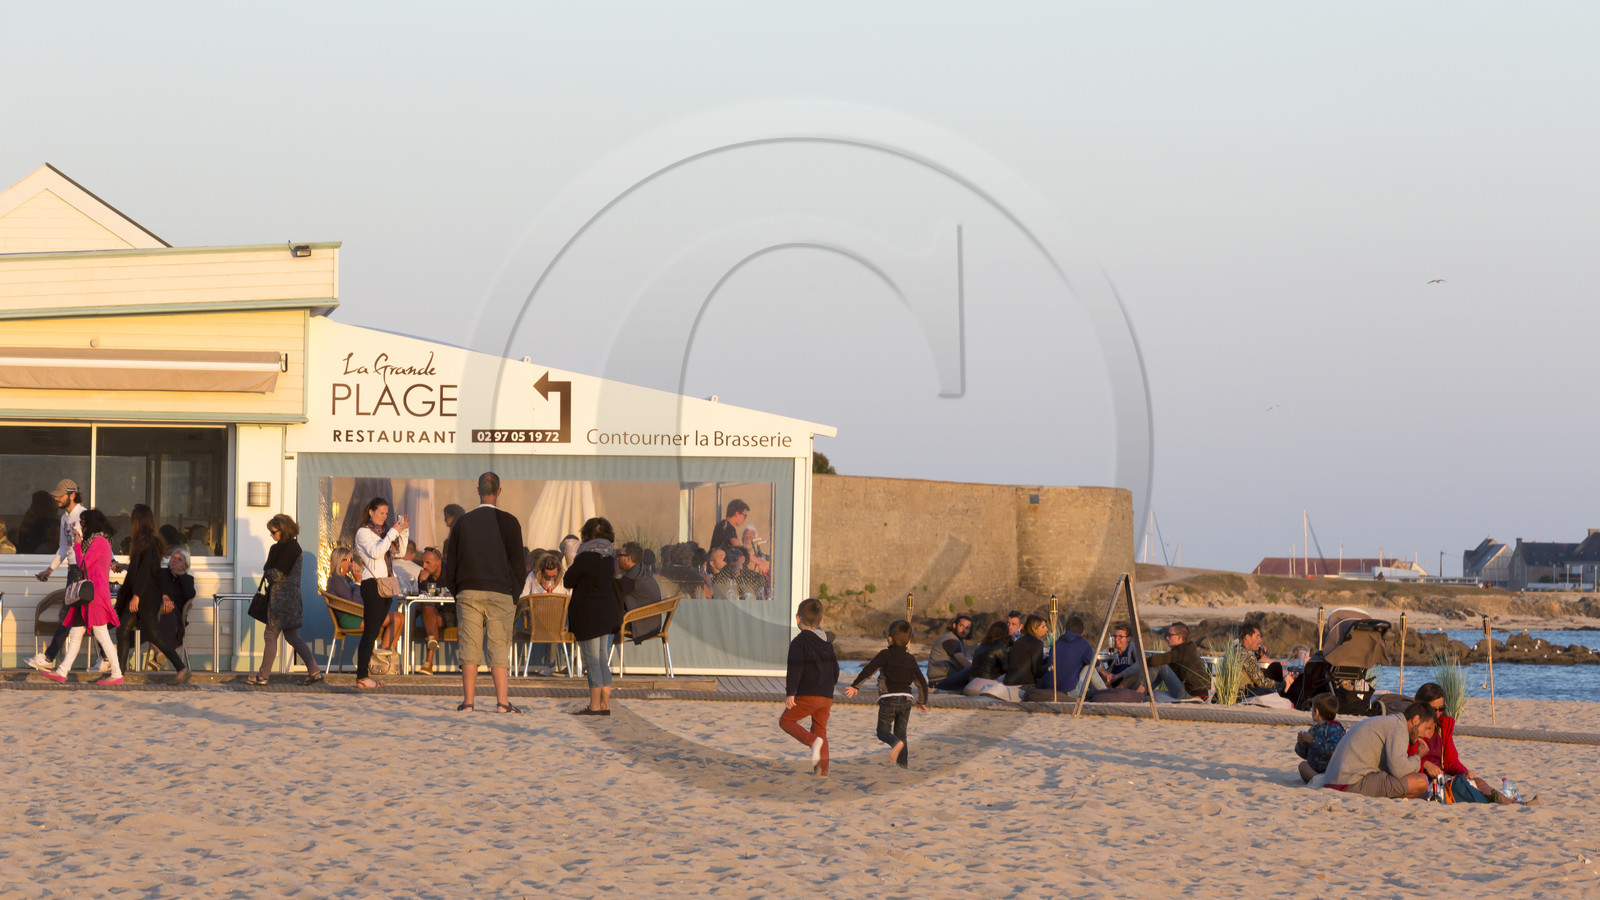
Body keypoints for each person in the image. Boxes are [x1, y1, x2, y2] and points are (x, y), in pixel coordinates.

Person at [442, 472, 526, 713]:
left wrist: (457, 590)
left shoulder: (463, 522)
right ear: (499, 491)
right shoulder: (510, 522)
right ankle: (502, 702)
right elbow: (519, 566)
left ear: (477, 490)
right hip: (500, 592)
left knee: (469, 646)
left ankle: (468, 702)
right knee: (499, 647)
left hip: (469, 591)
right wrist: (514, 596)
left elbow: (452, 563)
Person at [41, 508, 123, 686]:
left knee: (101, 633)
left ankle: (117, 673)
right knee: (76, 632)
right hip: (88, 595)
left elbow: (83, 564)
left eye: (84, 523)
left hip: (95, 595)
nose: (81, 527)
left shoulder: (100, 541)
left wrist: (77, 545)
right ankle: (62, 671)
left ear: (91, 524)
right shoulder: (97, 541)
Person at [1414, 682, 1527, 804]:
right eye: (1433, 709)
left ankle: (1514, 804)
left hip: (1442, 778)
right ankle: (1508, 803)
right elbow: (1404, 760)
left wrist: (1464, 772)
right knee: (1465, 788)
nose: (1437, 713)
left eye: (1441, 709)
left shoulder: (1442, 729)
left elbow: (1451, 761)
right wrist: (1424, 764)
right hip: (1424, 780)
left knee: (1478, 781)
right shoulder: (1414, 729)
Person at [248, 514, 324, 686]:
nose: (271, 535)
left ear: (283, 530)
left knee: (271, 635)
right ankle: (314, 671)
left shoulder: (289, 549)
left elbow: (275, 573)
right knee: (291, 636)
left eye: (273, 532)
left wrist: (268, 571)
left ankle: (263, 675)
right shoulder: (289, 548)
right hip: (288, 600)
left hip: (281, 601)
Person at [845, 619, 929, 768]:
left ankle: (895, 743)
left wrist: (855, 686)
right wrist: (922, 701)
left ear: (889, 638)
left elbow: (868, 670)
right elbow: (921, 682)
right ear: (908, 641)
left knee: (883, 731)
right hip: (907, 700)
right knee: (902, 734)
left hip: (888, 699)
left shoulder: (884, 654)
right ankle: (902, 766)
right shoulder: (911, 659)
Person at [123, 503, 192, 684]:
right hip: (146, 598)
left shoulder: (149, 542)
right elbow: (141, 571)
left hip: (147, 599)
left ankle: (180, 667)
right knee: (123, 630)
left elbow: (146, 570)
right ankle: (118, 673)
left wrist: (137, 594)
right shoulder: (146, 542)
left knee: (151, 633)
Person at [26, 479, 86, 671]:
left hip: (83, 570)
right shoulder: (64, 519)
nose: (57, 498)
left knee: (68, 615)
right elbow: (63, 547)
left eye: (60, 495)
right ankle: (105, 658)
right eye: (56, 495)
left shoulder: (84, 515)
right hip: (72, 570)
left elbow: (97, 543)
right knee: (82, 618)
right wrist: (50, 570)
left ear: (72, 494)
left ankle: (49, 657)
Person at [565, 516, 622, 715]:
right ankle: (605, 705)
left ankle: (594, 705)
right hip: (607, 612)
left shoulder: (584, 557)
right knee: (602, 660)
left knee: (592, 661)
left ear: (587, 535)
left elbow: (567, 581)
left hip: (588, 612)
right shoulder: (610, 558)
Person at [1323, 701, 1438, 798]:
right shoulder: (1399, 727)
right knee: (1421, 782)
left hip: (1334, 781)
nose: (1427, 735)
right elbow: (1399, 770)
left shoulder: (1391, 722)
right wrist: (1418, 756)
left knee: (1419, 789)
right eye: (1427, 728)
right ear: (1416, 720)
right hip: (1348, 784)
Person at [353, 497, 408, 690]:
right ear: (371, 511)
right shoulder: (363, 533)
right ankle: (362, 676)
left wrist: (403, 531)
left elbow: (399, 553)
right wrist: (393, 532)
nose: (384, 517)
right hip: (372, 584)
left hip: (386, 585)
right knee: (370, 632)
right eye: (381, 513)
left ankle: (365, 675)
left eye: (386, 513)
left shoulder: (385, 533)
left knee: (375, 630)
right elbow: (376, 552)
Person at [781, 598, 838, 776]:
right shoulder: (828, 642)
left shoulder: (799, 642)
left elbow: (795, 668)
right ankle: (822, 771)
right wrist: (829, 686)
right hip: (827, 695)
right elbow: (835, 669)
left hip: (809, 694)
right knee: (821, 730)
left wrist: (791, 693)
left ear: (797, 619)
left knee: (786, 721)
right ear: (821, 621)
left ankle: (811, 741)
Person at [1029, 613, 1100, 701]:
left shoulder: (1056, 643)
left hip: (1050, 689)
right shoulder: (1083, 644)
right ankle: (1106, 693)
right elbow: (1096, 663)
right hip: (1068, 692)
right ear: (1083, 633)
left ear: (1066, 630)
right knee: (1089, 667)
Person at [1134, 621, 1210, 701]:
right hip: (1201, 695)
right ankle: (1144, 692)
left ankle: (1139, 693)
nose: (1167, 637)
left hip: (1190, 695)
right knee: (1161, 666)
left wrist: (1140, 664)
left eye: (1170, 635)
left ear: (1179, 637)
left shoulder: (1181, 651)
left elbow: (1155, 660)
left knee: (1160, 665)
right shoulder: (1188, 649)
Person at [936, 621, 1009, 692]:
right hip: (984, 688)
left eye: (967, 627)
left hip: (970, 685)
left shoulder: (981, 645)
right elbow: (1006, 669)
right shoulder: (1000, 645)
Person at [412, 547, 450, 675]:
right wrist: (422, 582)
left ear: (438, 562)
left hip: (450, 614)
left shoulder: (450, 573)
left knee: (430, 615)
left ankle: (428, 663)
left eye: (428, 563)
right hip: (433, 615)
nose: (424, 566)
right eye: (423, 562)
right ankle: (431, 640)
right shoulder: (424, 575)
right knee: (427, 606)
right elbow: (423, 598)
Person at [1295, 693, 1346, 783]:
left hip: (1331, 771)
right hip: (1315, 771)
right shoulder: (1314, 729)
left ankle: (1321, 781)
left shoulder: (1335, 729)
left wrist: (1312, 740)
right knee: (1302, 766)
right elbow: (1304, 755)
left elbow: (1333, 751)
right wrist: (1302, 743)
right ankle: (1318, 780)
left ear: (1316, 712)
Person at [1234, 624, 1295, 699]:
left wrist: (1258, 656)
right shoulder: (1248, 654)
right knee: (1277, 668)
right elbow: (1261, 681)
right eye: (1257, 637)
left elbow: (1248, 667)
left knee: (1275, 667)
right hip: (1247, 693)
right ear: (1247, 637)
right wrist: (1280, 684)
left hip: (1239, 690)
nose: (1260, 640)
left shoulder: (1235, 650)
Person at [617, 542, 663, 643]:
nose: (617, 558)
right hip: (653, 624)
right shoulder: (643, 571)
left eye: (620, 555)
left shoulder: (632, 577)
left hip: (641, 624)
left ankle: (600, 656)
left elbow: (613, 597)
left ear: (628, 558)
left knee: (603, 617)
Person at [1001, 614, 1050, 700]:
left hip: (1010, 681)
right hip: (1024, 684)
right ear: (1034, 628)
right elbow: (1037, 672)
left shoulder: (1019, 640)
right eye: (1043, 627)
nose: (1047, 629)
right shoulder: (1037, 643)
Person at [927, 615, 973, 684]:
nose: (964, 630)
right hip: (940, 681)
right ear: (954, 625)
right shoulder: (951, 640)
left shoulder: (956, 640)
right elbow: (964, 663)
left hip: (946, 678)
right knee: (974, 672)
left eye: (967, 628)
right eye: (961, 626)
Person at [1096, 622, 1140, 687]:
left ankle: (1117, 691)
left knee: (1134, 674)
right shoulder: (1112, 649)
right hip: (1111, 683)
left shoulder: (1133, 648)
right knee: (1096, 665)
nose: (1116, 639)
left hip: (1126, 684)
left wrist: (1119, 675)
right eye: (1115, 636)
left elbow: (1139, 665)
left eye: (1120, 637)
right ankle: (1110, 691)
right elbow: (1097, 659)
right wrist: (1106, 674)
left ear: (1128, 638)